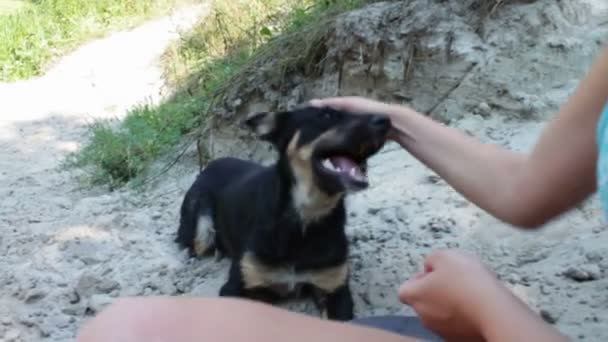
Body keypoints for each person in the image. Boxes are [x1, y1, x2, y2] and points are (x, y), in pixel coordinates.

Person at [76, 46, 608, 342]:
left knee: (127, 328)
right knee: (200, 246)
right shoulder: (255, 205)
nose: (358, 132)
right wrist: (391, 121)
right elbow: (527, 190)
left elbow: (334, 306)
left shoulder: (332, 243)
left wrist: (489, 304)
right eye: (327, 122)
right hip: (234, 206)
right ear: (284, 143)